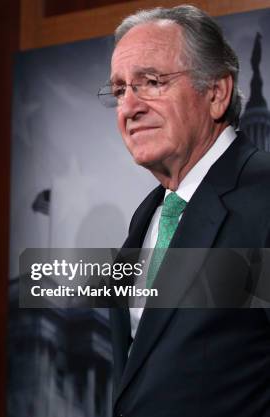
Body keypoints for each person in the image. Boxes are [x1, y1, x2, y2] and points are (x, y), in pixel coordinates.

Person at [97, 5, 270, 417]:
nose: (129, 108)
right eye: (120, 90)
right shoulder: (149, 216)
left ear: (216, 93)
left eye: (152, 82)